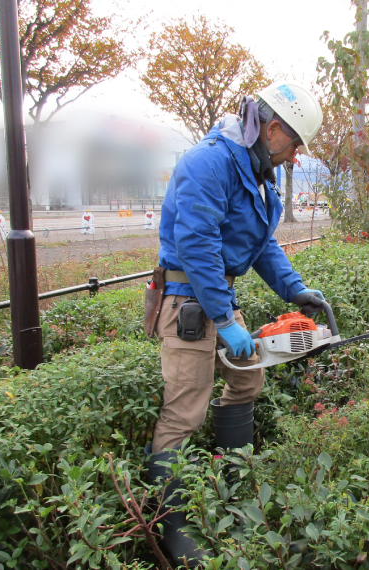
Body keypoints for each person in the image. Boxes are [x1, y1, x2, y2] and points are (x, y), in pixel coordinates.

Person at [146, 83, 326, 567]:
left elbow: (263, 246)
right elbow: (197, 244)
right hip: (187, 297)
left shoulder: (257, 174)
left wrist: (295, 288)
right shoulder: (209, 163)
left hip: (217, 295)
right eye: (294, 147)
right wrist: (224, 320)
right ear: (271, 131)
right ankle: (176, 527)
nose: (294, 159)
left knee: (248, 377)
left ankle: (231, 482)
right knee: (185, 410)